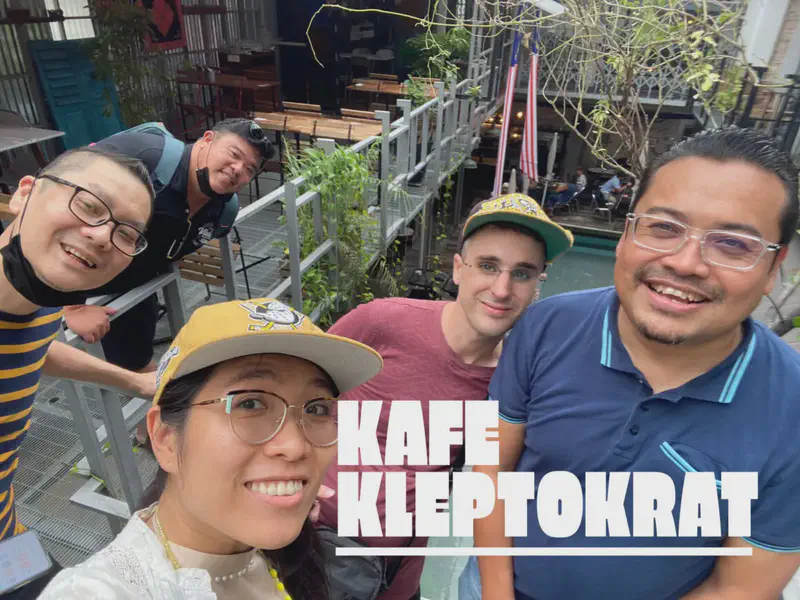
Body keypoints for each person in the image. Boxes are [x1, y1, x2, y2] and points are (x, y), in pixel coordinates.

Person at [464, 126, 800, 600]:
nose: (686, 263)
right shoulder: (544, 326)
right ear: (626, 234)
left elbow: (740, 586)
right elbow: (491, 468)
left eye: (732, 244)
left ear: (773, 267)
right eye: (663, 227)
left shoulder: (790, 410)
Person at [315, 193, 574, 600]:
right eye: (487, 266)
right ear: (458, 268)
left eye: (522, 273)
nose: (501, 289)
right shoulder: (382, 322)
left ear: (537, 286)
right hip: (309, 551)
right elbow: (292, 394)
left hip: (394, 578)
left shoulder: (516, 381)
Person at [39, 296, 384, 599]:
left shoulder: (275, 549)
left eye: (317, 409)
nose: (295, 447)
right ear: (165, 438)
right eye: (250, 404)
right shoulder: (102, 590)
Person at [0, 146, 160, 598]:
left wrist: (135, 382)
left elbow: (35, 348)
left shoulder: (39, 303)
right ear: (24, 193)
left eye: (126, 233)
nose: (102, 236)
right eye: (89, 205)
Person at [62, 118, 275, 376]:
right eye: (234, 153)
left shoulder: (222, 210)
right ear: (207, 140)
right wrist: (71, 305)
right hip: (64, 288)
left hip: (135, 286)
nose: (238, 169)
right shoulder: (142, 157)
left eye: (250, 169)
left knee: (136, 366)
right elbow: (57, 205)